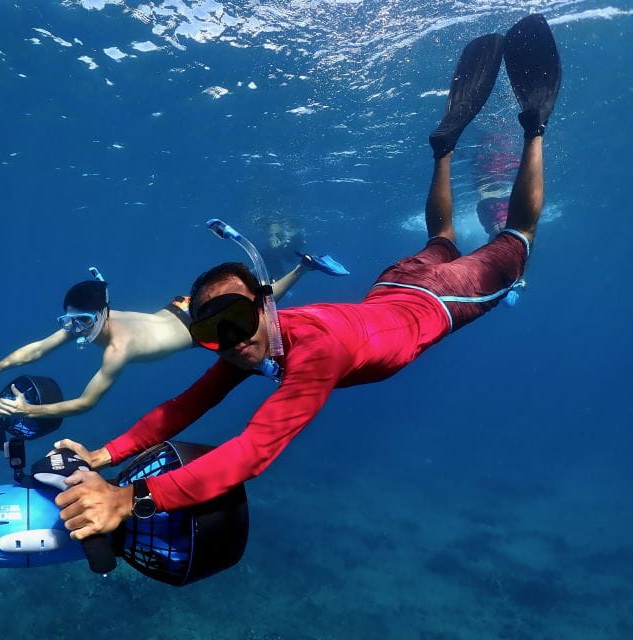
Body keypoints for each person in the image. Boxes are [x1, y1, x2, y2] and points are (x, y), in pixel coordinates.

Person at [43, 15, 561, 539]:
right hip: (394, 288)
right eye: (212, 332)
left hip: (441, 300)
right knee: (441, 239)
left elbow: (252, 449)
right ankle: (444, 148)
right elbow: (187, 404)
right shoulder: (254, 339)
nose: (231, 343)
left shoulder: (317, 355)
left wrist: (131, 498)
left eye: (238, 319)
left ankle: (533, 126)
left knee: (519, 234)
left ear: (266, 305)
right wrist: (102, 453)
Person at [0, 257, 342, 420]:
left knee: (262, 303)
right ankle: (296, 266)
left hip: (195, 326)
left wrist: (30, 411)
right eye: (70, 321)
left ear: (102, 312)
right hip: (175, 307)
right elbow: (39, 348)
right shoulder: (89, 323)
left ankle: (303, 268)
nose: (76, 328)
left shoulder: (120, 348)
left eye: (83, 321)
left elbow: (85, 404)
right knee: (254, 297)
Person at [475, 134, 521, 240]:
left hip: (491, 197)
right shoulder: (517, 223)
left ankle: (486, 142)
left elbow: (480, 208)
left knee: (487, 163)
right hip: (497, 197)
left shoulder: (491, 226)